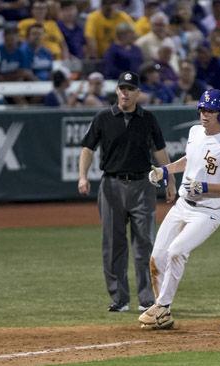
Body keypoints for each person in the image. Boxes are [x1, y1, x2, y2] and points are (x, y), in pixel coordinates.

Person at [138, 89, 220, 330]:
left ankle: (162, 307)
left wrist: (206, 186)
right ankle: (162, 312)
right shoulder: (195, 132)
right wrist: (164, 170)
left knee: (176, 251)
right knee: (156, 258)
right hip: (182, 205)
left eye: (210, 110)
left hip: (208, 211)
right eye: (202, 109)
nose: (204, 114)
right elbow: (189, 159)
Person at [77, 71, 176, 313]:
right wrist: (82, 176)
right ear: (117, 91)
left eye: (130, 89)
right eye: (122, 88)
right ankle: (119, 299)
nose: (125, 92)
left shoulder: (148, 119)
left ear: (137, 93)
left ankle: (146, 299)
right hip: (111, 185)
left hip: (142, 185)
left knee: (145, 244)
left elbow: (161, 152)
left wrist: (170, 180)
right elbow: (87, 148)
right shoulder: (103, 117)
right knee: (113, 244)